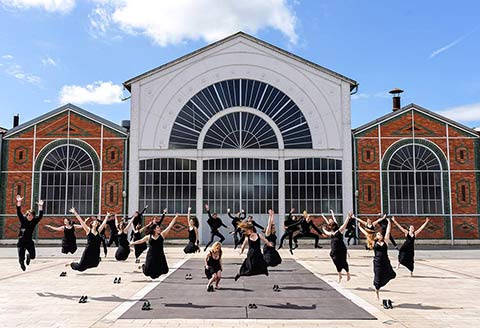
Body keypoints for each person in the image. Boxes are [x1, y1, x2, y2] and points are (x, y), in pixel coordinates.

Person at [130, 215, 178, 279]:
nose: (159, 229)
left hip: (160, 255)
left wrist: (175, 218)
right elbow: (140, 241)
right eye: (158, 228)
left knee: (164, 270)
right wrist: (132, 243)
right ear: (154, 229)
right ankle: (143, 266)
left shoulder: (162, 235)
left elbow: (170, 226)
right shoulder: (149, 236)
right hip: (151, 255)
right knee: (147, 272)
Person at [364, 217, 396, 302]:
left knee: (392, 274)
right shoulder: (374, 243)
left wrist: (389, 222)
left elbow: (388, 232)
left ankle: (381, 285)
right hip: (377, 262)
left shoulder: (385, 242)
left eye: (380, 234)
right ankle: (377, 293)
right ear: (376, 236)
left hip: (385, 262)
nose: (380, 235)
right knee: (377, 278)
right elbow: (366, 233)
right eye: (378, 234)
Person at [15, 195, 44, 271]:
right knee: (21, 258)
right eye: (29, 215)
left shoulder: (34, 221)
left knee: (33, 256)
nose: (30, 217)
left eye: (32, 216)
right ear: (27, 215)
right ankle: (22, 263)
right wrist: (19, 202)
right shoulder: (23, 220)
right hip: (21, 241)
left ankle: (29, 257)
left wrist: (40, 207)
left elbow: (40, 216)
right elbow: (18, 212)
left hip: (29, 241)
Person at [322, 211, 352, 282]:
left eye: (331, 225)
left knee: (343, 261)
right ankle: (340, 274)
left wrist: (348, 217)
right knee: (334, 259)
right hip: (334, 249)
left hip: (341, 249)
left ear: (334, 225)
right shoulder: (331, 233)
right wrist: (323, 229)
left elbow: (345, 224)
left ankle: (347, 274)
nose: (330, 226)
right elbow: (327, 232)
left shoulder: (340, 230)